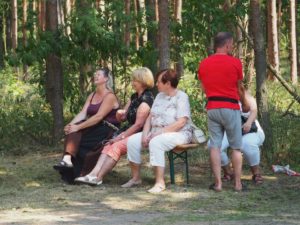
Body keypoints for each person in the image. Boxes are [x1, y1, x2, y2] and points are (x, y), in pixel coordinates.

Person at [74, 67, 154, 186]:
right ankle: (93, 174)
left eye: (135, 80)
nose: (132, 83)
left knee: (115, 146)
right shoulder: (134, 97)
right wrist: (119, 114)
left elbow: (138, 125)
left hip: (141, 132)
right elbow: (122, 117)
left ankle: (98, 178)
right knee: (108, 145)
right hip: (129, 129)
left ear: (143, 81)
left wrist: (120, 137)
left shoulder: (146, 98)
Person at [123, 69, 192, 193]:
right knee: (132, 141)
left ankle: (160, 183)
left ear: (168, 83)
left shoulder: (181, 97)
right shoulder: (159, 96)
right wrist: (145, 135)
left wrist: (159, 133)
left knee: (156, 142)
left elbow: (181, 122)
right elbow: (150, 117)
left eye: (159, 82)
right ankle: (136, 178)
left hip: (179, 133)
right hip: (155, 132)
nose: (156, 84)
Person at [53, 68, 120, 183]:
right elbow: (83, 113)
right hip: (95, 126)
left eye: (98, 74)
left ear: (106, 79)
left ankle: (78, 168)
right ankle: (67, 159)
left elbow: (99, 116)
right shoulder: (92, 95)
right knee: (73, 130)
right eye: (95, 74)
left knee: (77, 132)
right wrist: (71, 124)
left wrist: (78, 127)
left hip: (107, 129)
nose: (95, 76)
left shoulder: (110, 96)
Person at [198, 32, 244, 192]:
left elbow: (203, 88)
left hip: (212, 107)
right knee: (236, 147)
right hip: (230, 107)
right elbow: (239, 87)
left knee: (215, 146)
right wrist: (243, 102)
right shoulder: (235, 63)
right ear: (227, 44)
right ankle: (238, 184)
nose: (232, 47)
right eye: (231, 44)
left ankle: (218, 184)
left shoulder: (204, 63)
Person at [220, 86, 265, 184]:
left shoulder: (245, 95)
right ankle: (228, 172)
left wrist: (248, 122)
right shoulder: (222, 95)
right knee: (214, 145)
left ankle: (256, 173)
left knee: (247, 144)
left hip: (250, 129)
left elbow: (254, 110)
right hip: (231, 130)